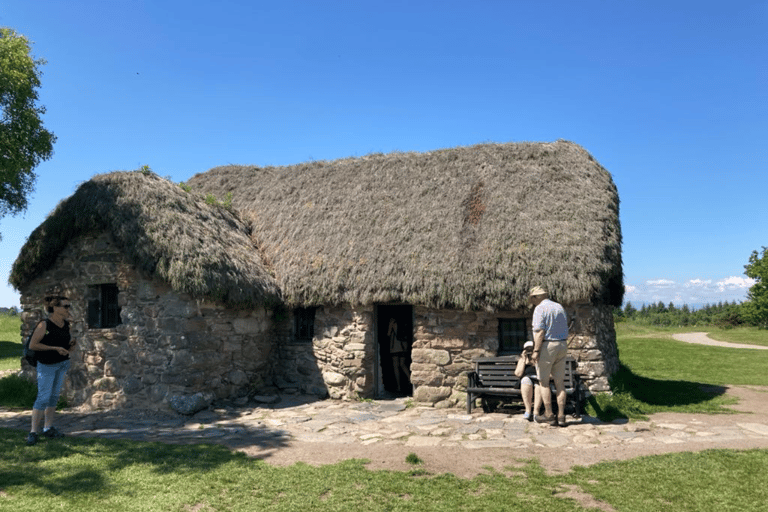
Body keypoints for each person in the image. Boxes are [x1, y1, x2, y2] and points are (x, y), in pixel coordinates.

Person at [26, 294, 76, 446]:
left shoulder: (66, 325)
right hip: (46, 365)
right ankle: (33, 432)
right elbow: (33, 345)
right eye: (65, 306)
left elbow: (63, 345)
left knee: (54, 397)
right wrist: (55, 348)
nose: (69, 309)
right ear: (55, 308)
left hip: (61, 364)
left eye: (69, 306)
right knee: (43, 397)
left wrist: (70, 347)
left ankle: (48, 428)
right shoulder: (44, 325)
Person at [528, 286, 568, 427]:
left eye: (533, 297)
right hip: (562, 344)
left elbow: (540, 332)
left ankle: (549, 414)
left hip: (547, 346)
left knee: (543, 382)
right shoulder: (559, 307)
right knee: (560, 382)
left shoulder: (540, 309)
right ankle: (562, 416)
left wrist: (536, 351)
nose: (532, 300)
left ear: (537, 297)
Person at [514, 340, 542, 421]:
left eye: (531, 349)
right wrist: (523, 360)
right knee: (525, 380)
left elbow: (542, 374)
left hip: (538, 380)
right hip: (526, 381)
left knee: (539, 384)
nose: (530, 351)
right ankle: (528, 410)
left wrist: (536, 362)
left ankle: (536, 412)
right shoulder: (522, 360)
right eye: (527, 349)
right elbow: (518, 374)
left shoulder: (540, 359)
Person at [387, 318, 410, 394]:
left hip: (395, 347)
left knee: (395, 366)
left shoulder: (393, 322)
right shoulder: (404, 322)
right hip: (404, 346)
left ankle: (398, 386)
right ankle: (410, 380)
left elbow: (388, 334)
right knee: (403, 365)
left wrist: (390, 326)